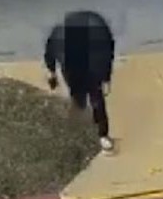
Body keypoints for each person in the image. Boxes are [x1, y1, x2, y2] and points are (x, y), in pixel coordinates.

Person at [44, 10, 117, 153]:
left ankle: (101, 132)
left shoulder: (94, 46)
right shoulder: (60, 39)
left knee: (96, 100)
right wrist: (52, 72)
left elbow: (107, 56)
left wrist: (52, 73)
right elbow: (50, 53)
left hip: (89, 71)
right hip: (77, 72)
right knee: (89, 98)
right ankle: (92, 125)